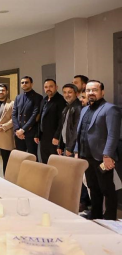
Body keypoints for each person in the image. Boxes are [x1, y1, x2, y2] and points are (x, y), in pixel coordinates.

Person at [75, 80, 121, 220]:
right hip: (85, 156)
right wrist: (77, 152)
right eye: (88, 90)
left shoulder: (110, 109)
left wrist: (108, 155)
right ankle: (96, 216)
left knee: (107, 189)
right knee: (93, 188)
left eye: (94, 90)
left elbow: (113, 135)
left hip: (101, 157)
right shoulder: (84, 109)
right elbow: (80, 132)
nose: (91, 93)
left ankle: (110, 218)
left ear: (102, 92)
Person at [57, 84, 89, 212]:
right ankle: (73, 199)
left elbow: (76, 130)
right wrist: (60, 145)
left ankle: (82, 201)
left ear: (76, 93)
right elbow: (63, 127)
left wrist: (70, 147)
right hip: (66, 145)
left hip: (74, 147)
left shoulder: (78, 108)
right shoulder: (67, 107)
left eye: (69, 92)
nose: (67, 95)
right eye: (64, 92)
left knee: (79, 175)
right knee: (71, 175)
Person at [35, 79, 66, 164]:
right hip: (43, 136)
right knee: (44, 160)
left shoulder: (61, 100)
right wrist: (37, 134)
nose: (48, 89)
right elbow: (40, 118)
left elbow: (62, 121)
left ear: (56, 87)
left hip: (53, 137)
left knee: (54, 162)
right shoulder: (44, 100)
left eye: (51, 86)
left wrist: (57, 137)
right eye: (46, 87)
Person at [12, 76, 42, 156]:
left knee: (32, 156)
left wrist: (23, 130)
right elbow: (14, 114)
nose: (24, 84)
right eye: (22, 82)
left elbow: (35, 115)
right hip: (18, 133)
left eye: (26, 82)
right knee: (20, 156)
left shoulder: (38, 97)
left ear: (31, 84)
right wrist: (17, 130)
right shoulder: (18, 97)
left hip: (30, 132)